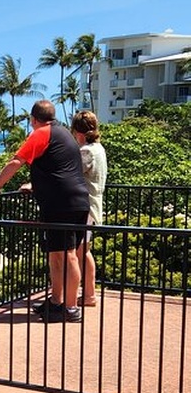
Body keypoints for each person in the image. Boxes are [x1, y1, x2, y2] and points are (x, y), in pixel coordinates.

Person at [0, 100, 89, 322]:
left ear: (33, 120)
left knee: (68, 255)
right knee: (56, 254)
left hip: (61, 204)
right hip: (74, 200)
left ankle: (70, 309)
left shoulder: (41, 133)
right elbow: (60, 168)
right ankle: (56, 302)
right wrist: (35, 186)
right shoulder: (63, 134)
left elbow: (16, 162)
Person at [70, 110, 107, 308]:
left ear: (79, 132)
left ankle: (86, 295)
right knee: (83, 252)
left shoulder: (87, 152)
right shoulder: (99, 148)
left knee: (79, 253)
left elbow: (72, 174)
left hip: (85, 207)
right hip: (93, 205)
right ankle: (89, 294)